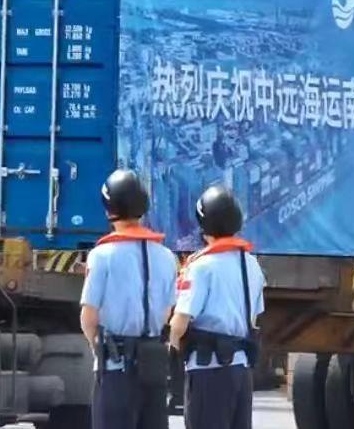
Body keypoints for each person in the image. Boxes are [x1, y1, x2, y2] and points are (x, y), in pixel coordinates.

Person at [80, 169, 178, 429]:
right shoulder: (167, 256)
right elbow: (167, 311)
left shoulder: (102, 255)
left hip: (116, 369)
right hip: (153, 368)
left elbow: (89, 317)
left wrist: (99, 348)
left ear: (108, 209)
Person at [169, 185, 266, 429]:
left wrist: (170, 351)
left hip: (208, 370)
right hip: (241, 370)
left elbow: (180, 322)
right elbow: (254, 318)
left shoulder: (201, 266)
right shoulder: (251, 264)